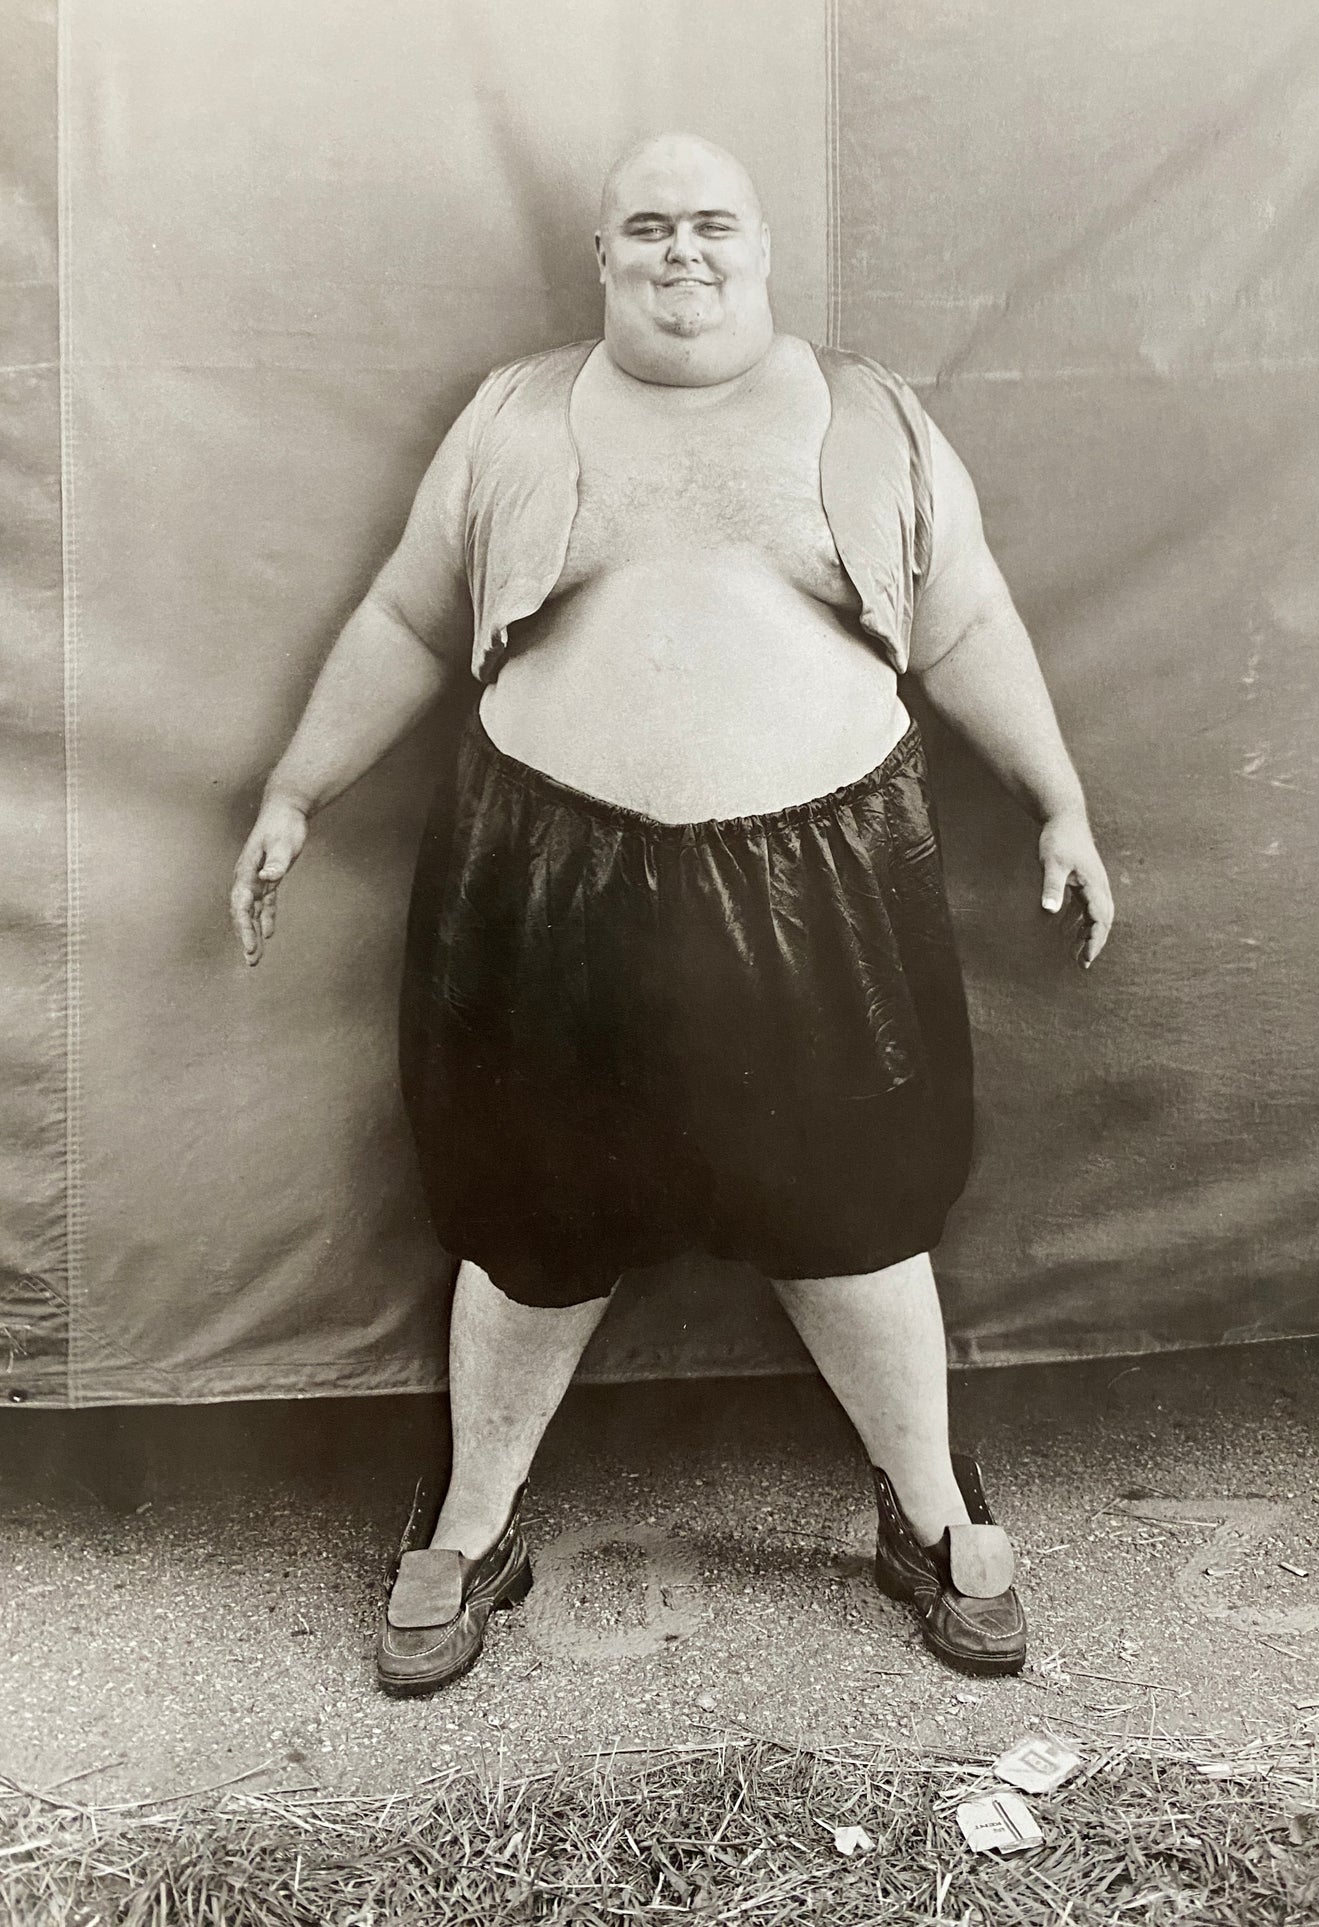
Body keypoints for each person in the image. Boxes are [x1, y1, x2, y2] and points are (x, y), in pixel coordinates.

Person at [231, 134, 1114, 1699]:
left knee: (854, 1216)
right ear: (602, 256)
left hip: (825, 879)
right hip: (545, 875)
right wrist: (298, 789)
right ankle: (474, 1522)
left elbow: (964, 615)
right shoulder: (512, 416)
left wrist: (1056, 798)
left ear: (762, 246)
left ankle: (928, 1511)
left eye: (712, 224)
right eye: (648, 227)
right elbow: (407, 616)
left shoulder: (872, 416)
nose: (681, 253)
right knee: (531, 1223)